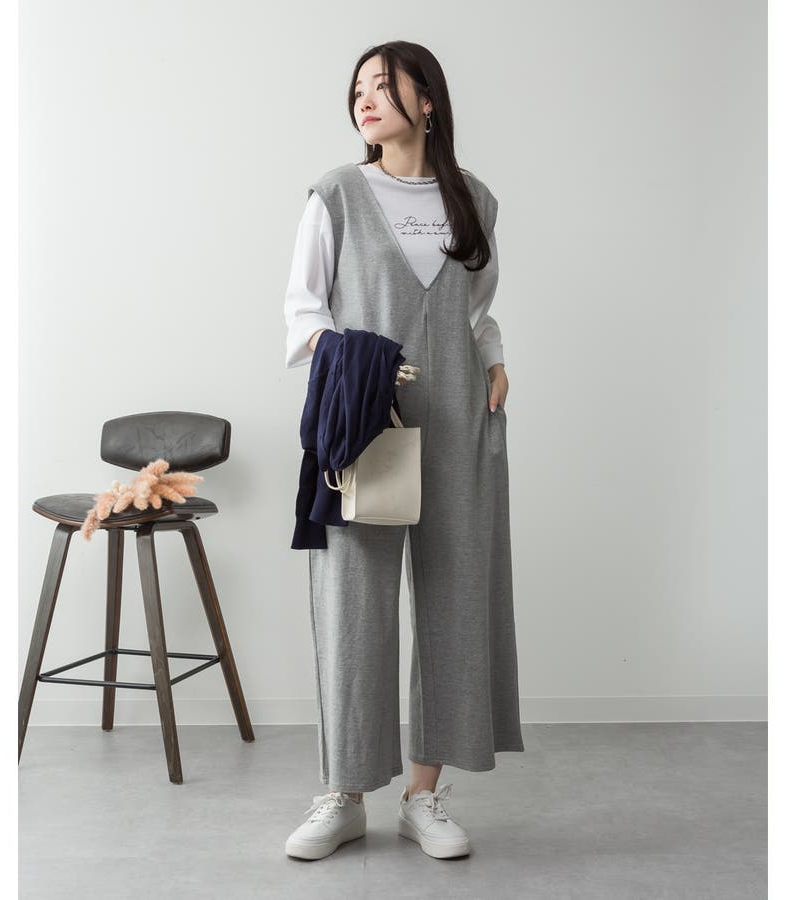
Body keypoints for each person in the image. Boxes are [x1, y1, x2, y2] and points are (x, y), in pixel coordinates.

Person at [282, 41, 524, 861]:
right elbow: (304, 313)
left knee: (456, 598)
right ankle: (345, 794)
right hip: (365, 421)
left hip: (458, 415)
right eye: (359, 87)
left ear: (428, 101)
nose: (366, 98)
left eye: (384, 85)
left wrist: (494, 358)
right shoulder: (337, 194)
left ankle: (425, 795)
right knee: (353, 602)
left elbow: (477, 308)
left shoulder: (473, 200)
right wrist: (358, 364)